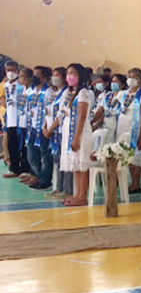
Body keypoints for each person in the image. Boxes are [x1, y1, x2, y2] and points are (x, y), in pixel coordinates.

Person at [59, 63, 94, 206]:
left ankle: (82, 196)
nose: (69, 76)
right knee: (75, 165)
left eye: (73, 73)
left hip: (79, 131)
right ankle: (77, 194)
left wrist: (77, 137)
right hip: (69, 129)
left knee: (81, 164)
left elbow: (82, 116)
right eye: (68, 73)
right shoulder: (70, 93)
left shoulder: (83, 93)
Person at [116, 68, 141, 193]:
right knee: (122, 154)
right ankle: (122, 181)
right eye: (129, 76)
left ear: (140, 80)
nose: (130, 79)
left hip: (136, 129)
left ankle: (135, 183)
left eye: (134, 77)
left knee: (135, 157)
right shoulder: (122, 94)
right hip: (122, 127)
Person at [44, 67, 71, 199]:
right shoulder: (55, 93)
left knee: (64, 160)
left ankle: (67, 189)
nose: (54, 78)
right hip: (52, 131)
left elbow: (61, 115)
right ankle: (59, 187)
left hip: (60, 131)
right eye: (53, 75)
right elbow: (48, 112)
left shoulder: (66, 93)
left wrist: (51, 128)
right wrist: (45, 127)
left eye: (57, 75)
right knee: (58, 161)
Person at [26, 66, 54, 190]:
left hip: (43, 127)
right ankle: (37, 176)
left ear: (44, 78)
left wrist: (46, 126)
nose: (34, 78)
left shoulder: (49, 92)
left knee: (45, 155)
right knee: (31, 155)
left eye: (37, 76)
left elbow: (50, 111)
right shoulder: (32, 91)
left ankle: (45, 179)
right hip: (32, 127)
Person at [3, 61, 31, 178]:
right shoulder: (6, 85)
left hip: (22, 120)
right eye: (8, 70)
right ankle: (14, 169)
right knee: (12, 145)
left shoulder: (22, 85)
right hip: (11, 120)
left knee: (23, 146)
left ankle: (25, 168)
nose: (11, 73)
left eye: (13, 70)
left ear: (18, 71)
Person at [91, 74, 124, 144]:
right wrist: (92, 122)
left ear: (122, 84)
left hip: (116, 123)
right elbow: (100, 111)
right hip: (105, 124)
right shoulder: (107, 95)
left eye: (116, 82)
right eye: (112, 81)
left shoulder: (123, 96)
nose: (113, 84)